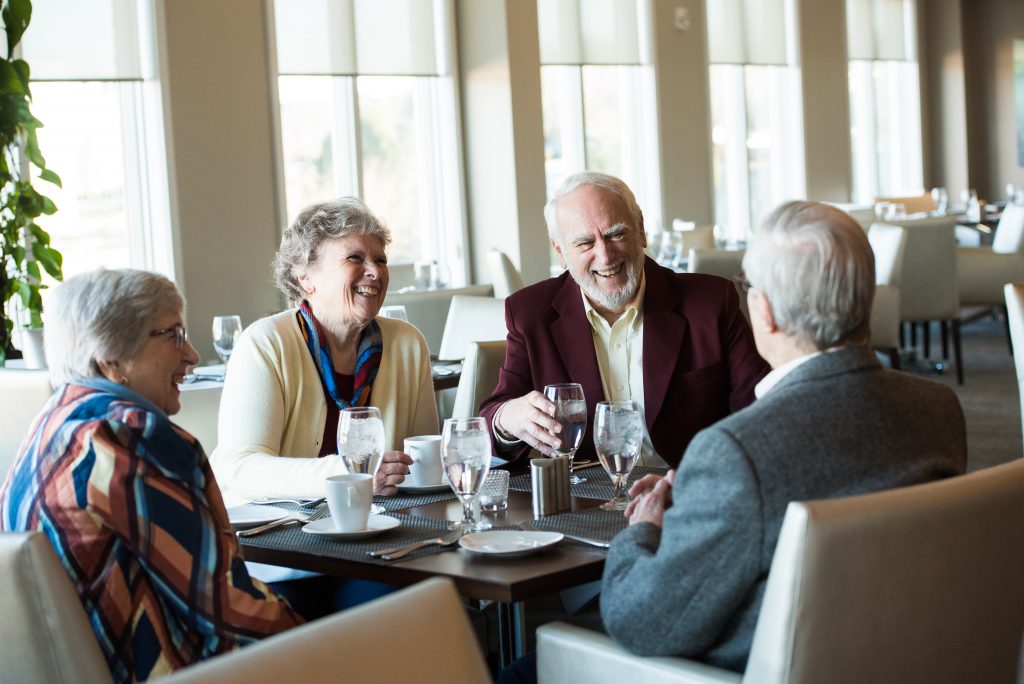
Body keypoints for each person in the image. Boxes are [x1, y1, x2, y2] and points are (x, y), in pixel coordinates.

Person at [600, 201, 968, 672]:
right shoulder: (938, 409)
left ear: (765, 311)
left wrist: (644, 528)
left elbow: (641, 620)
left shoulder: (737, 452)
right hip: (911, 660)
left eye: (748, 287)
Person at [0, 269, 302, 684]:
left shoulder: (50, 423)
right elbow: (225, 607)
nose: (192, 354)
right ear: (112, 360)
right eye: (174, 334)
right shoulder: (131, 435)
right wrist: (328, 639)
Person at [210, 197, 438, 615]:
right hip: (283, 557)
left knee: (424, 603)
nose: (375, 272)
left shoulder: (407, 343)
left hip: (375, 544)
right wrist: (348, 474)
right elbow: (239, 468)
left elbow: (421, 458)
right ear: (306, 278)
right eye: (355, 258)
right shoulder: (265, 343)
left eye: (381, 260)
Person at [480, 172, 769, 468]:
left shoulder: (710, 302)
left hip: (686, 492)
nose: (605, 256)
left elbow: (762, 411)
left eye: (616, 234)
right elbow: (492, 420)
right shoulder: (531, 313)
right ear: (560, 251)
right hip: (585, 501)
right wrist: (507, 419)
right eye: (584, 243)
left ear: (640, 230)